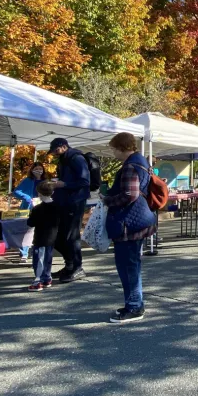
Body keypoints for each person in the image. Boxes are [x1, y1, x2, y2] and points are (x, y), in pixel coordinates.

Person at [101, 132, 157, 323]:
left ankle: (134, 307)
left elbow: (129, 195)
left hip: (129, 222)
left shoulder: (131, 165)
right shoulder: (141, 162)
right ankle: (134, 303)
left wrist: (108, 200)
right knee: (131, 265)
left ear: (121, 147)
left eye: (114, 148)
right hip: (138, 219)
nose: (113, 152)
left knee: (128, 266)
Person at [49, 138, 90, 283]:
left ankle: (77, 268)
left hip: (75, 202)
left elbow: (85, 181)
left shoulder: (76, 158)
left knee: (72, 236)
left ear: (63, 147)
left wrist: (63, 184)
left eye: (55, 150)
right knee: (59, 236)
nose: (54, 153)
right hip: (65, 202)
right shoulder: (64, 159)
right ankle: (70, 265)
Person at [26, 182, 59, 291]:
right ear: (52, 192)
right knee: (48, 258)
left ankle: (38, 280)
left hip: (41, 237)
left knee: (39, 260)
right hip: (52, 236)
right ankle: (46, 277)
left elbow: (31, 223)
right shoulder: (57, 206)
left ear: (39, 194)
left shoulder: (38, 209)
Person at [13, 162, 48, 262]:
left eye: (40, 169)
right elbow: (17, 191)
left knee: (39, 230)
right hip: (28, 208)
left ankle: (35, 252)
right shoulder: (27, 180)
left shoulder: (45, 181)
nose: (39, 171)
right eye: (36, 169)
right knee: (26, 230)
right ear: (32, 170)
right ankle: (24, 253)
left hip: (42, 208)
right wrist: (27, 198)